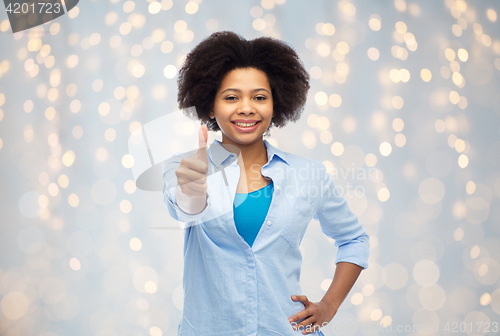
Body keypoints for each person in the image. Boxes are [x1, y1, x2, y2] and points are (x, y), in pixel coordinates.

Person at [162, 31, 370, 336]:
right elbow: (183, 209)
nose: (246, 108)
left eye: (259, 97)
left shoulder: (307, 174)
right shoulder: (186, 168)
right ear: (209, 105)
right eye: (231, 97)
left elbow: (354, 240)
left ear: (276, 104)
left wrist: (328, 306)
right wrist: (192, 190)